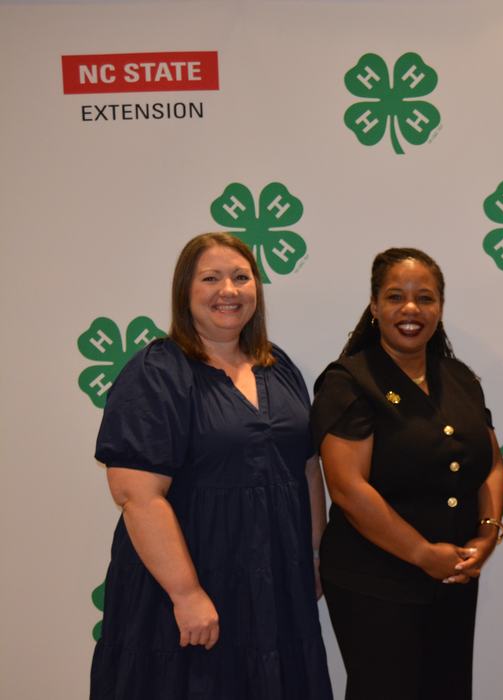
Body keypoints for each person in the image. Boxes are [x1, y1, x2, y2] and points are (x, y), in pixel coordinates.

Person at [91, 233, 332, 699]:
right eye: (211, 278)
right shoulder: (156, 372)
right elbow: (136, 495)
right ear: (185, 291)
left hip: (275, 580)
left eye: (242, 277)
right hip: (190, 585)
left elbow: (307, 468)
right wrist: (186, 594)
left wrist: (315, 556)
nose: (229, 290)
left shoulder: (278, 366)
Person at [310, 247, 503, 700]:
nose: (411, 310)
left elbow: (491, 463)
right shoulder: (348, 381)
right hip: (374, 581)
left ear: (440, 307)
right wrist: (422, 553)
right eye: (396, 297)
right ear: (375, 307)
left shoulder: (460, 378)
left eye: (426, 298)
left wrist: (487, 534)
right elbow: (347, 488)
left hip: (454, 575)